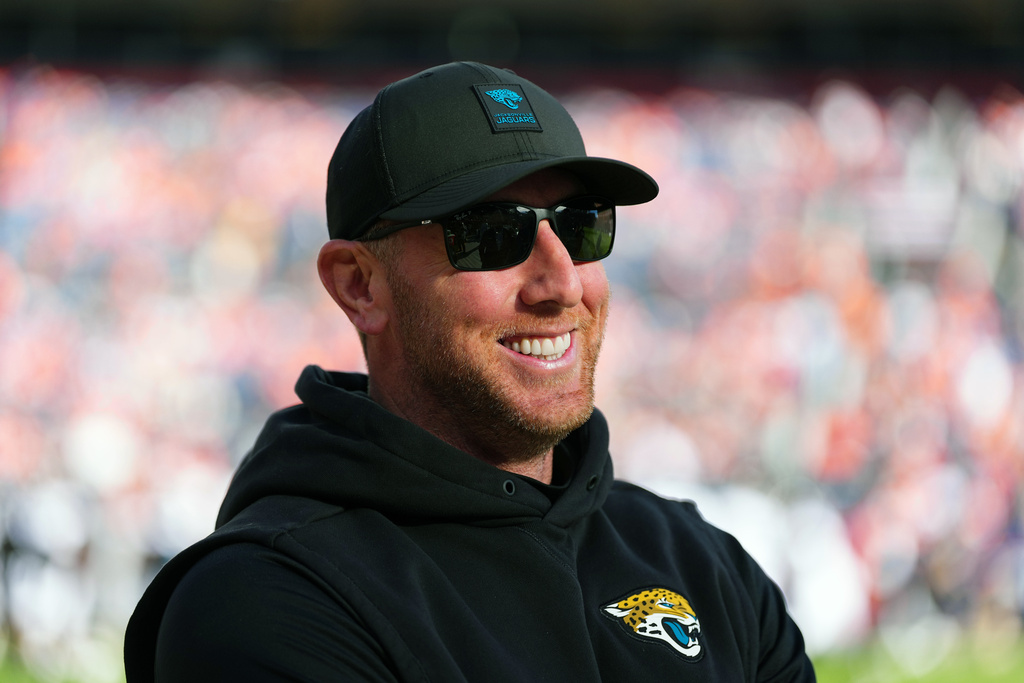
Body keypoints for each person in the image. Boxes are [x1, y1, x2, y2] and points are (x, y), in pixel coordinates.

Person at [124, 61, 815, 682]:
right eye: (495, 232)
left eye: (582, 224)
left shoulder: (704, 563)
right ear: (360, 285)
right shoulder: (263, 597)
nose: (562, 282)